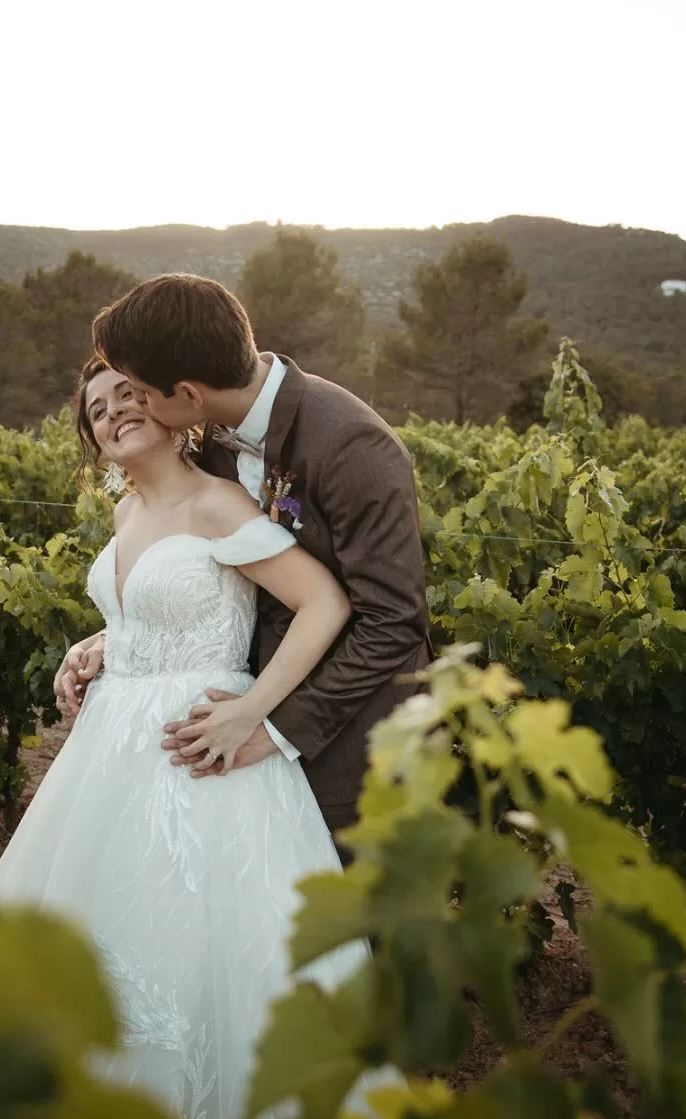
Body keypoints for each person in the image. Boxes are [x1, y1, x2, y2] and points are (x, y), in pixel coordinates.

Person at [0, 358, 372, 1119]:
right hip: (109, 760)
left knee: (201, 951)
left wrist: (255, 714)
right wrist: (99, 642)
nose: (116, 410)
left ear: (170, 408)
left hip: (202, 757)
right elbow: (151, 610)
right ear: (91, 439)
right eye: (97, 407)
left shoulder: (217, 501)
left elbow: (324, 604)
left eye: (129, 394)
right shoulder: (126, 509)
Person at [60, 273, 429, 843]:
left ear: (187, 394)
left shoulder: (354, 447)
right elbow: (213, 576)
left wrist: (269, 727)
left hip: (354, 747)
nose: (133, 406)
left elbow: (393, 622)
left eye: (137, 391)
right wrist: (120, 639)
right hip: (235, 727)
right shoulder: (212, 439)